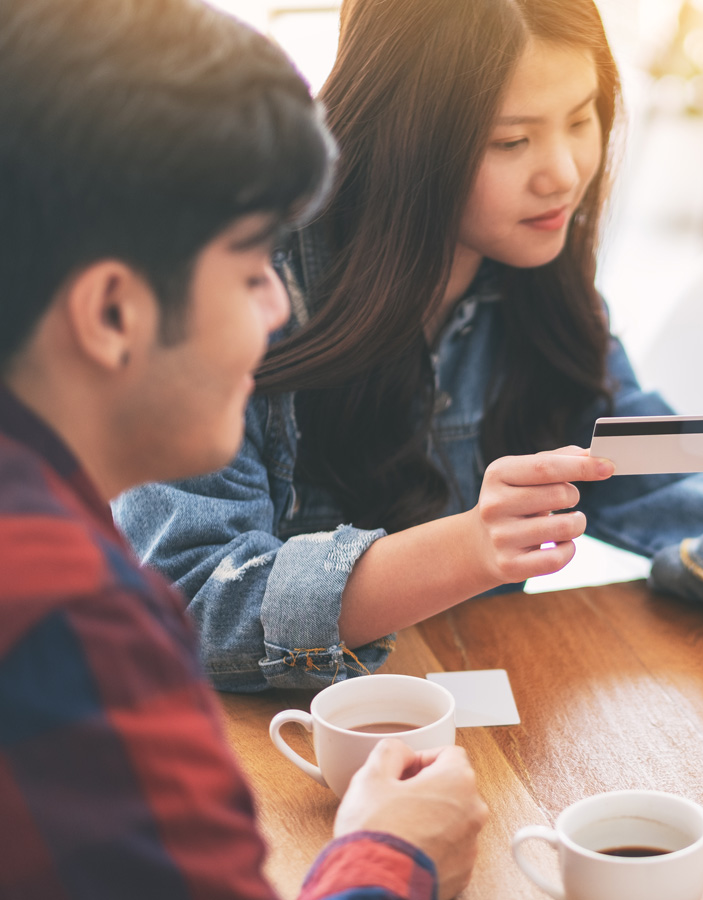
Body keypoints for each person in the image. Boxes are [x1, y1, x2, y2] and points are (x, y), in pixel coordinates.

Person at [112, 0, 703, 730]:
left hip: (449, 731)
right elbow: (188, 606)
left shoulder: (529, 275)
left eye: (584, 119)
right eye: (512, 141)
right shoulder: (237, 278)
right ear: (402, 135)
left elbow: (658, 463)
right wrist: (468, 547)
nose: (566, 171)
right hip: (265, 758)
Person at [0, 1, 486, 897]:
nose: (278, 309)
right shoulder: (78, 632)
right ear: (113, 313)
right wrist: (390, 853)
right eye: (251, 268)